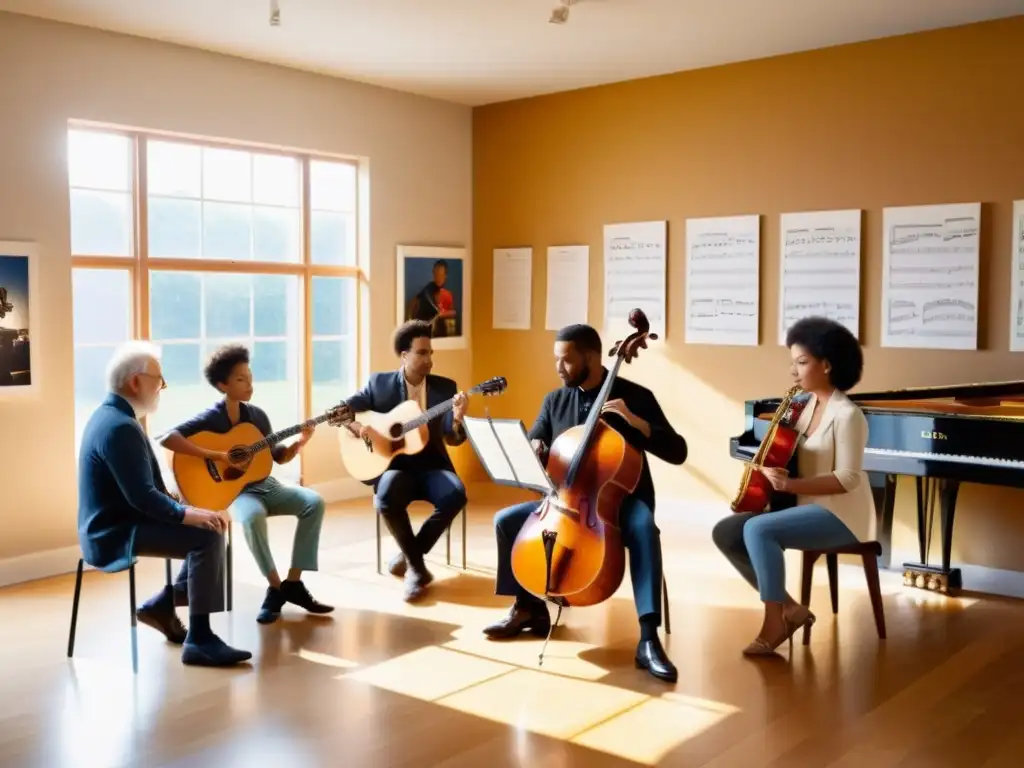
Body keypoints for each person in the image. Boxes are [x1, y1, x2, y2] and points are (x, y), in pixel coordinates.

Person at [482, 323, 688, 683]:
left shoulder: (635, 396)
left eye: (565, 361)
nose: (558, 368)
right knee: (505, 521)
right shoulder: (555, 400)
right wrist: (535, 448)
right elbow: (536, 438)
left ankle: (648, 638)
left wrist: (637, 423)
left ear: (591, 357)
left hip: (624, 498)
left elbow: (678, 451)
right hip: (565, 502)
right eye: (556, 361)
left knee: (643, 528)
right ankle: (527, 608)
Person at [76, 341, 251, 667]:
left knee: (207, 527)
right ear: (135, 382)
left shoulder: (110, 415)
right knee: (208, 535)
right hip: (113, 531)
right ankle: (199, 639)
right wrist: (189, 514)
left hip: (117, 520)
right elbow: (142, 497)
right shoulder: (120, 427)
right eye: (158, 380)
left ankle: (164, 604)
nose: (161, 387)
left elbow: (140, 491)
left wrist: (190, 509)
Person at [712, 315, 875, 656]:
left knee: (758, 530)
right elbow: (781, 449)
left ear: (827, 365)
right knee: (726, 532)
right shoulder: (801, 407)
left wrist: (791, 484)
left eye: (802, 362)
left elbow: (848, 479)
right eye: (793, 362)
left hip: (842, 516)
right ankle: (789, 607)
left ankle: (775, 623)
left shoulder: (848, 416)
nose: (793, 371)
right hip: (805, 508)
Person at [160, 344, 334, 625]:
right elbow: (167, 438)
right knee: (253, 517)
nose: (249, 384)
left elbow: (278, 457)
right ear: (222, 385)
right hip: (236, 492)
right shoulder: (211, 417)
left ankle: (293, 583)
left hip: (266, 485)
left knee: (313, 502)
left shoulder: (257, 416)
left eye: (250, 377)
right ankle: (275, 588)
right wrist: (217, 455)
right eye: (241, 379)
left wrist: (301, 441)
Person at [343, 320, 468, 602]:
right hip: (395, 466)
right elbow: (344, 411)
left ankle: (411, 559)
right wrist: (362, 430)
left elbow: (452, 437)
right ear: (404, 355)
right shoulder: (380, 384)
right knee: (385, 497)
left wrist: (458, 418)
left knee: (456, 495)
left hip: (433, 466)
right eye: (422, 353)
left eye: (430, 353)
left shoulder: (445, 388)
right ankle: (417, 568)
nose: (429, 360)